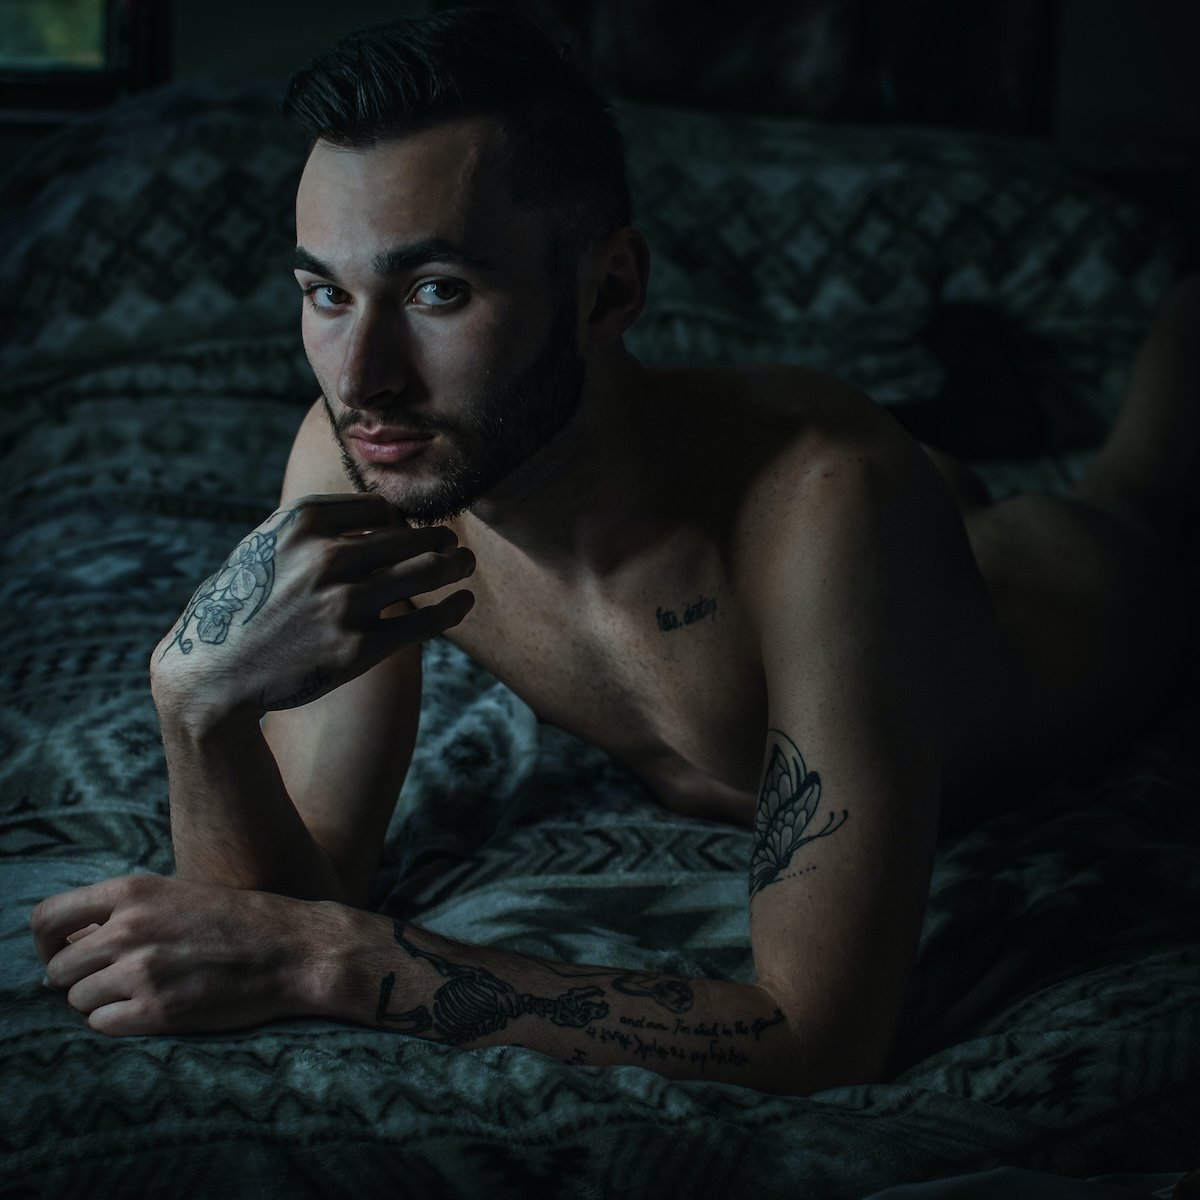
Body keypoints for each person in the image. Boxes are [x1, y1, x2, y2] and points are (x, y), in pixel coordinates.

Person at [29, 9, 1197, 1095]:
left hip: (1046, 604)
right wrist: (196, 712)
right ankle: (967, 402)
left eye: (436, 290)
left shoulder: (827, 490)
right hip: (810, 527)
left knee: (1139, 490)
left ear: (612, 288)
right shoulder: (369, 455)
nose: (361, 377)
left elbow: (821, 1031)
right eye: (325, 294)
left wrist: (342, 964)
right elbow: (269, 908)